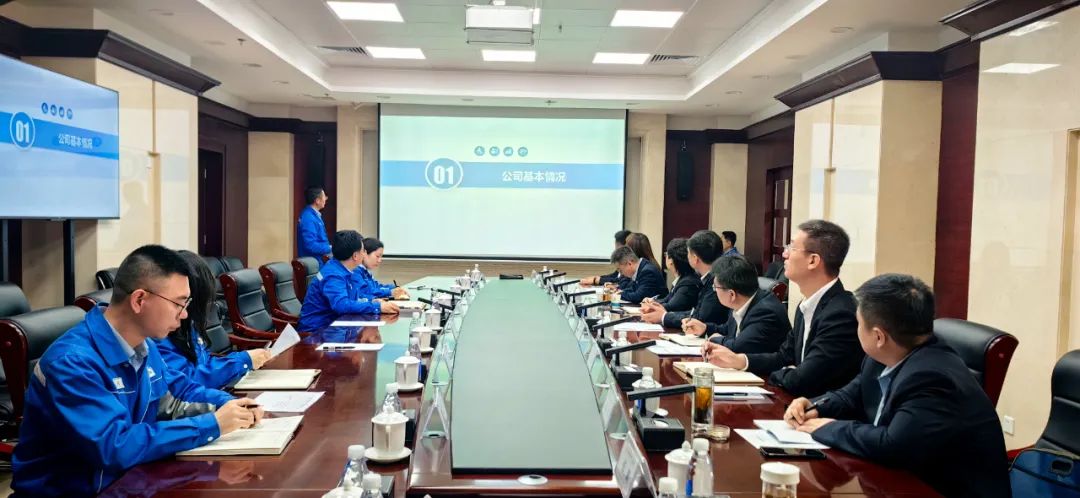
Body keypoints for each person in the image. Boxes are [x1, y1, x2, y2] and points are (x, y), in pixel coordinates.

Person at [12, 245, 263, 497]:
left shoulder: (144, 345)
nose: (185, 314)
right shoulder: (72, 363)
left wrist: (229, 404)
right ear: (139, 300)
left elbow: (177, 393)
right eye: (178, 303)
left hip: (131, 482)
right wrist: (211, 424)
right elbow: (114, 446)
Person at [783, 274, 1010, 498]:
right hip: (895, 482)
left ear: (879, 337)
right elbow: (852, 395)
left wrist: (828, 428)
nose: (856, 329)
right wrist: (815, 406)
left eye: (858, 324)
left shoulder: (932, 378)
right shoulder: (884, 356)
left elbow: (892, 446)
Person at [704, 220, 862, 397]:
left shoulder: (840, 314)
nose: (784, 254)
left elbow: (803, 379)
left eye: (792, 248)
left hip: (819, 408)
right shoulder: (806, 306)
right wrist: (740, 360)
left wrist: (782, 373)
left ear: (813, 260)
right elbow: (783, 357)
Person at [155, 250, 272, 389]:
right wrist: (243, 360)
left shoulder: (188, 324)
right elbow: (188, 382)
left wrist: (243, 360)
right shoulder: (159, 333)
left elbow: (204, 363)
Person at [298, 230, 399, 332]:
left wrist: (371, 301)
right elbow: (342, 305)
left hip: (335, 327)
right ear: (355, 256)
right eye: (363, 251)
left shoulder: (345, 269)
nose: (364, 254)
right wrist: (376, 307)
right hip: (316, 332)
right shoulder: (333, 275)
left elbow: (353, 298)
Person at [691, 256, 789, 354]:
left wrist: (716, 340)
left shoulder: (765, 312)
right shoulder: (741, 301)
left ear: (732, 294)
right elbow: (728, 329)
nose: (715, 291)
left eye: (715, 287)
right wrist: (705, 328)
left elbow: (739, 346)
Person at [640, 230, 729, 329]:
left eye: (688, 253)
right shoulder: (709, 278)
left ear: (695, 258)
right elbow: (696, 312)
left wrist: (664, 316)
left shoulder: (716, 282)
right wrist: (663, 313)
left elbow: (701, 318)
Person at [648, 238, 700, 313]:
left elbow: (672, 306)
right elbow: (667, 299)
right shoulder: (682, 278)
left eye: (666, 254)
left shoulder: (688, 283)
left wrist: (650, 306)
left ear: (671, 261)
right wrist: (652, 301)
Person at [297, 186, 331, 261]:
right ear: (317, 201)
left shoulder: (314, 215)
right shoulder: (308, 218)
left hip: (319, 261)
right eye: (324, 196)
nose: (326, 198)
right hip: (314, 263)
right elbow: (310, 245)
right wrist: (330, 248)